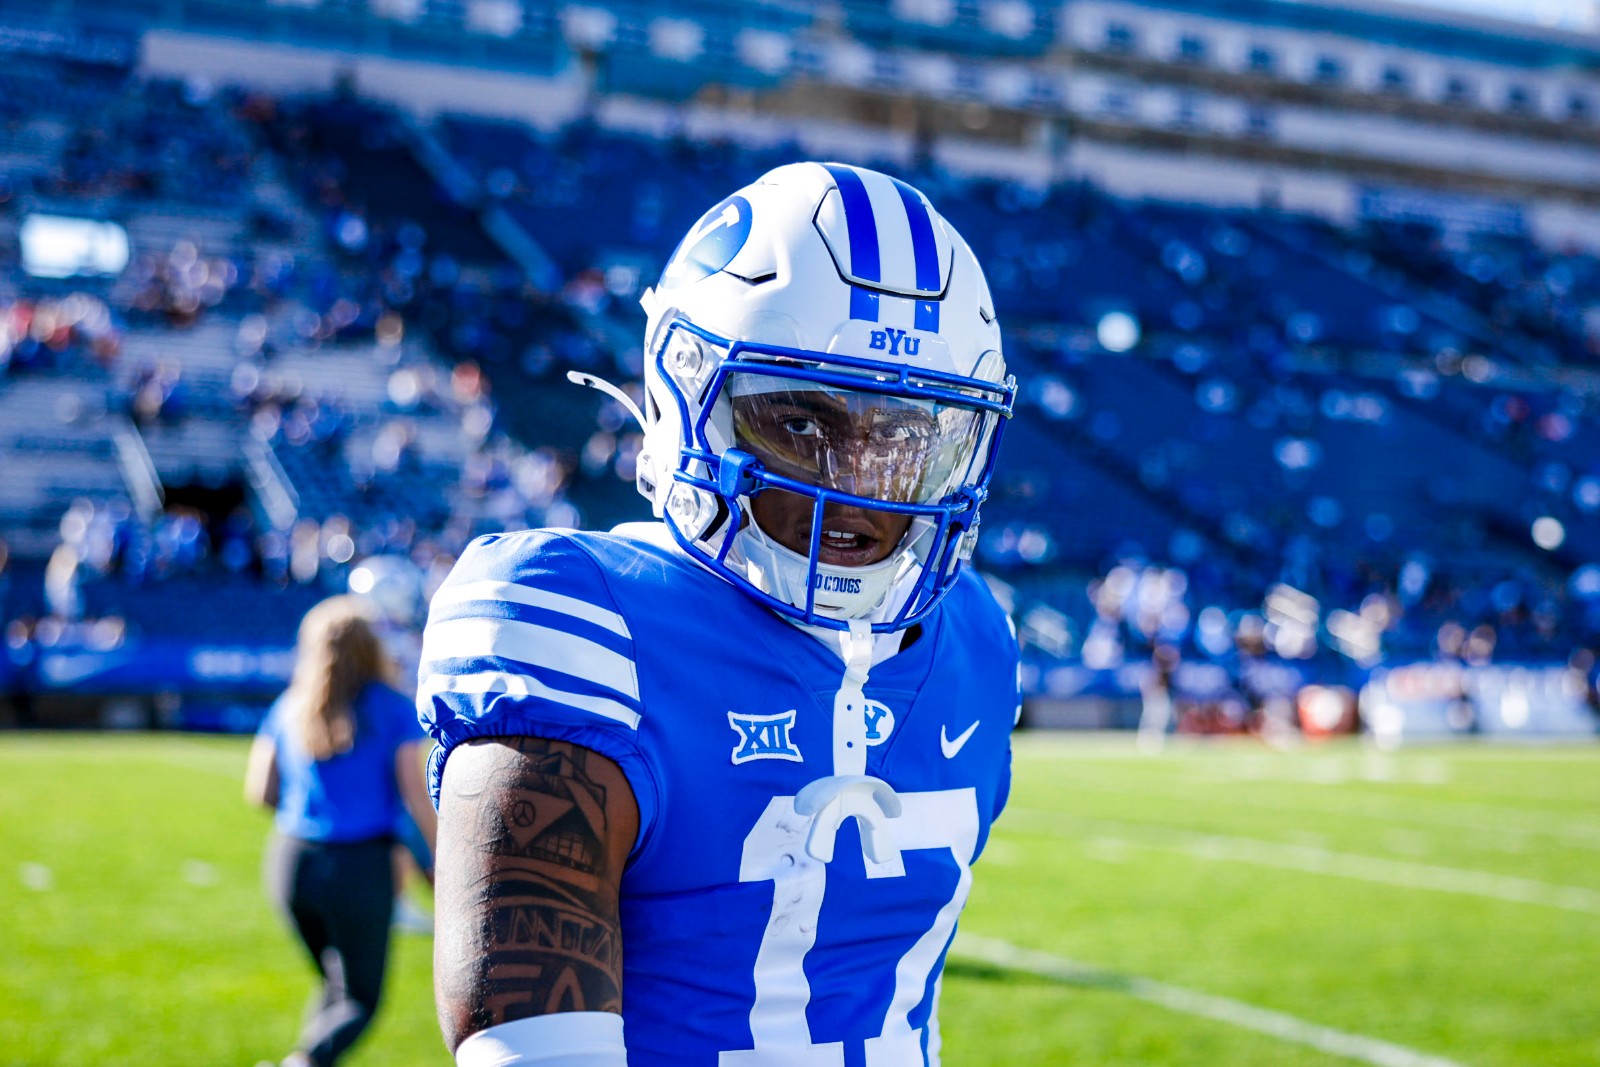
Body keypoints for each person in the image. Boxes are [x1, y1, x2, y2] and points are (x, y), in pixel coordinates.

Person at [419, 162, 1020, 1067]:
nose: (859, 482)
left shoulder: (975, 636)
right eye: (803, 423)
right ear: (687, 393)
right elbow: (536, 1046)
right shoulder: (581, 621)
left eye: (905, 435)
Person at [245, 594, 438, 1067]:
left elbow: (259, 791)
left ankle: (305, 1057)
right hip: (359, 866)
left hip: (291, 861)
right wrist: (441, 859)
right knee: (359, 998)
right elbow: (415, 796)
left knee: (335, 986)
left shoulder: (290, 705)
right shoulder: (390, 707)